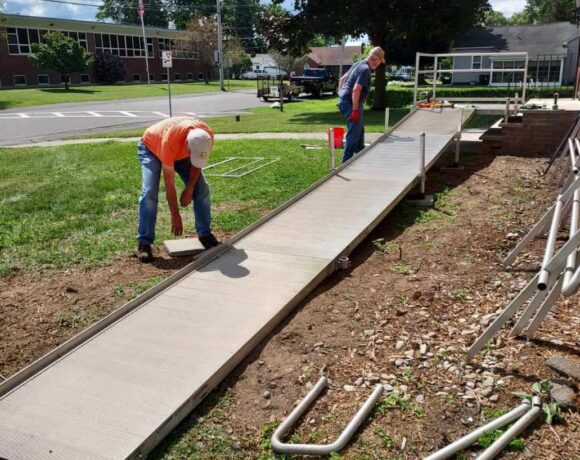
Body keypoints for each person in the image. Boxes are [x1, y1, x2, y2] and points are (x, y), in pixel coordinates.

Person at [136, 117, 220, 262]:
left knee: (202, 190)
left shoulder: (206, 136)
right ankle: (144, 242)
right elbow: (170, 185)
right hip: (151, 148)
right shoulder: (170, 141)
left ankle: (205, 234)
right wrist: (175, 215)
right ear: (187, 144)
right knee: (149, 192)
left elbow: (198, 163)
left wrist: (190, 188)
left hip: (180, 151)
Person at [337, 46, 386, 163]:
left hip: (346, 101)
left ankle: (360, 157)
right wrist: (354, 110)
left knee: (360, 131)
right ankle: (346, 163)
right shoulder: (365, 69)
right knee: (354, 133)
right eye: (380, 62)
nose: (379, 64)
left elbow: (342, 79)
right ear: (376, 60)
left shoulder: (359, 63)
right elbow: (356, 90)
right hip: (351, 103)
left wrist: (341, 95)